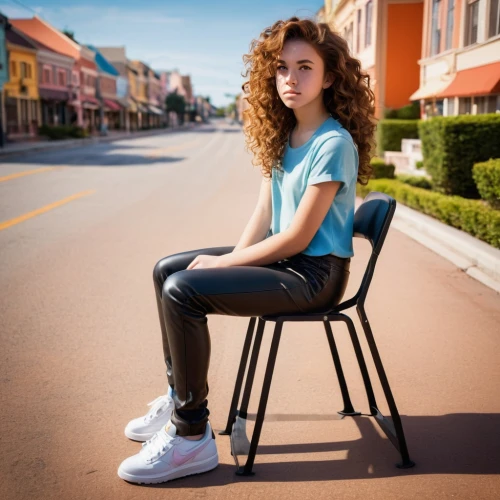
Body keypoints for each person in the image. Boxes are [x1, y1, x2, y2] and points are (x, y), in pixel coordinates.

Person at [117, 16, 375, 485]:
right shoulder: (286, 135)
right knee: (167, 271)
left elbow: (297, 237)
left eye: (304, 68)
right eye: (281, 69)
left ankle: (191, 436)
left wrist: (223, 265)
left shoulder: (333, 143)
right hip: (288, 264)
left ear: (330, 77)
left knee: (183, 291)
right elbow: (264, 215)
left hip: (315, 277)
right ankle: (181, 396)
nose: (291, 80)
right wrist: (229, 261)